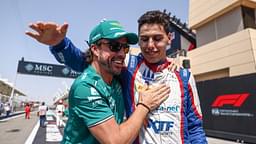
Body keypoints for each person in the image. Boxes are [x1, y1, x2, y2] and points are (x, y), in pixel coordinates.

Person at [26, 11, 207, 143]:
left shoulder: (184, 76)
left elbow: (194, 127)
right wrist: (60, 44)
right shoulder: (129, 66)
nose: (150, 45)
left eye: (157, 38)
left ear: (169, 38)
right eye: (144, 39)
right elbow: (89, 62)